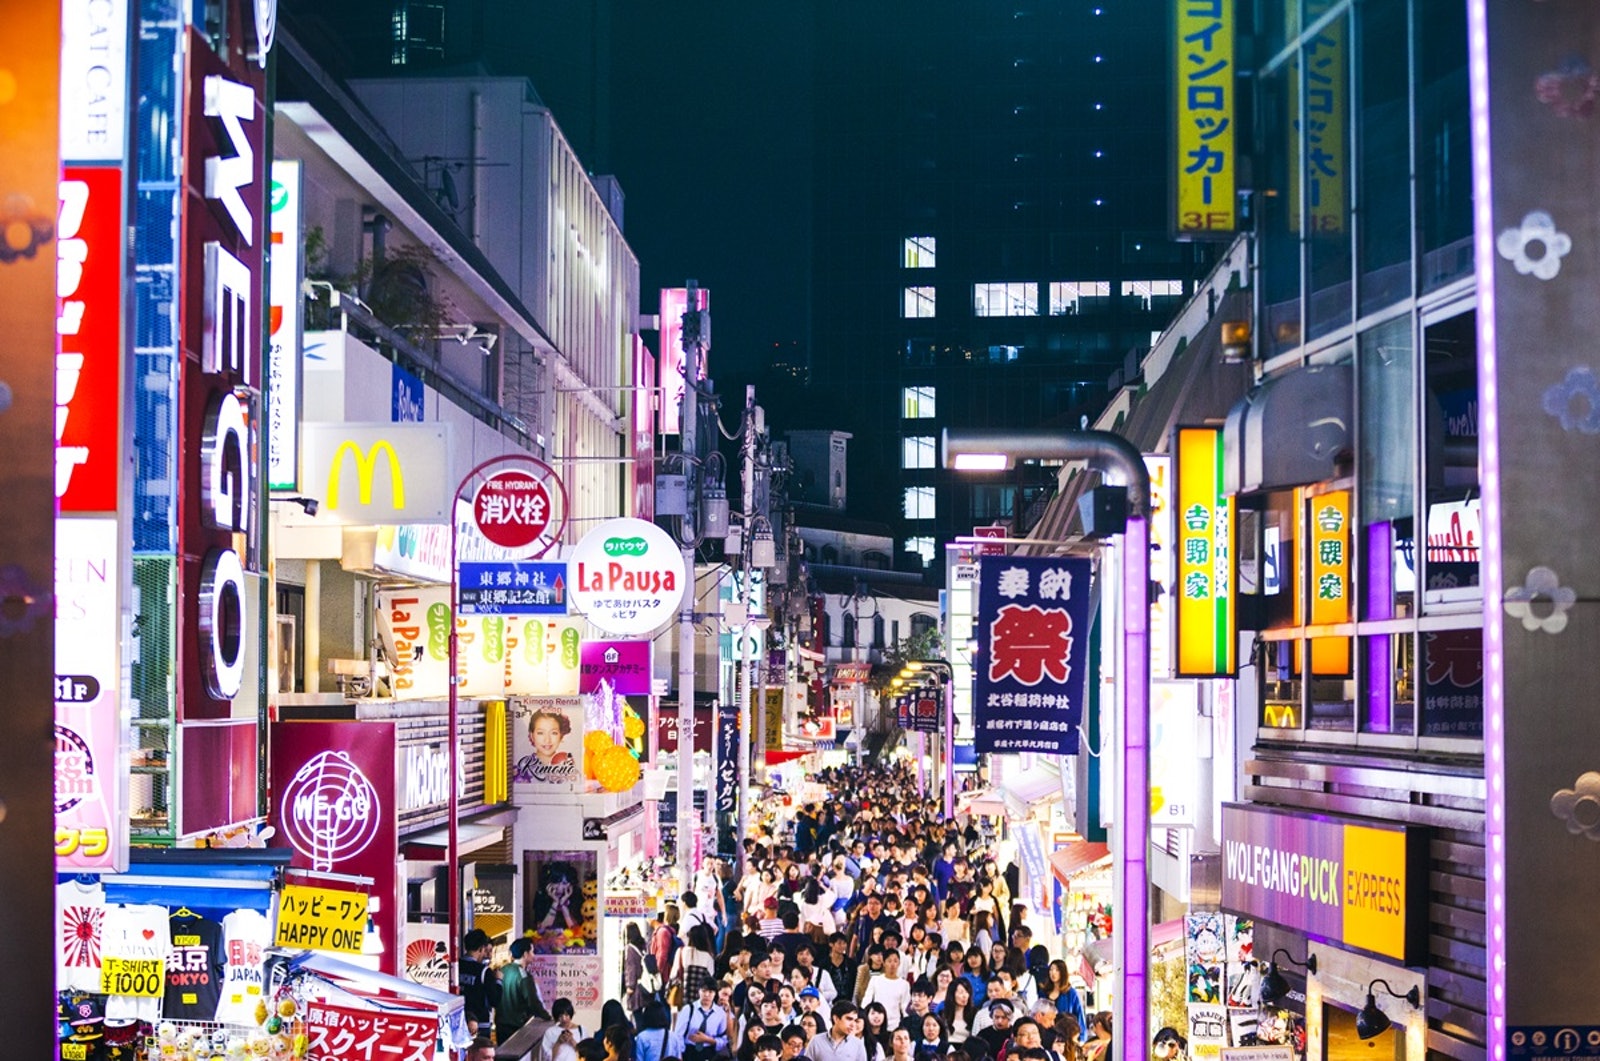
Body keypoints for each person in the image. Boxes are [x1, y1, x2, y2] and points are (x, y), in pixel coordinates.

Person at [498, 936, 551, 1042]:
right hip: (517, 1026)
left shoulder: (503, 970)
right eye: (532, 951)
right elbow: (532, 1002)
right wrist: (547, 1017)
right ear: (525, 954)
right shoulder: (524, 976)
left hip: (501, 1025)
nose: (534, 955)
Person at [672, 982, 731, 1061]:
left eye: (710, 992)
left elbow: (723, 1040)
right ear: (698, 991)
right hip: (689, 1052)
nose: (706, 995)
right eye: (703, 991)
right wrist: (679, 1055)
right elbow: (678, 1035)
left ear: (715, 994)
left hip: (709, 1053)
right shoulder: (688, 1009)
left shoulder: (720, 1014)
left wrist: (707, 1039)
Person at [459, 929, 500, 1038]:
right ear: (481, 948)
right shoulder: (484, 971)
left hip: (458, 1021)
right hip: (480, 1023)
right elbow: (495, 1000)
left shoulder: (455, 967)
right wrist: (499, 981)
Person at [861, 950, 912, 1028]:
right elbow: (866, 1001)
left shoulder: (904, 984)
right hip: (876, 1023)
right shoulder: (875, 980)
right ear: (884, 963)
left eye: (895, 961)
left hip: (894, 1025)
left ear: (899, 963)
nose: (892, 964)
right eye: (889, 961)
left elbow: (905, 1007)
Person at [624, 922, 651, 1015]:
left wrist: (630, 986)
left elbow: (631, 968)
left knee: (637, 1014)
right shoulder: (645, 944)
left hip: (636, 987)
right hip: (646, 984)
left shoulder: (630, 948)